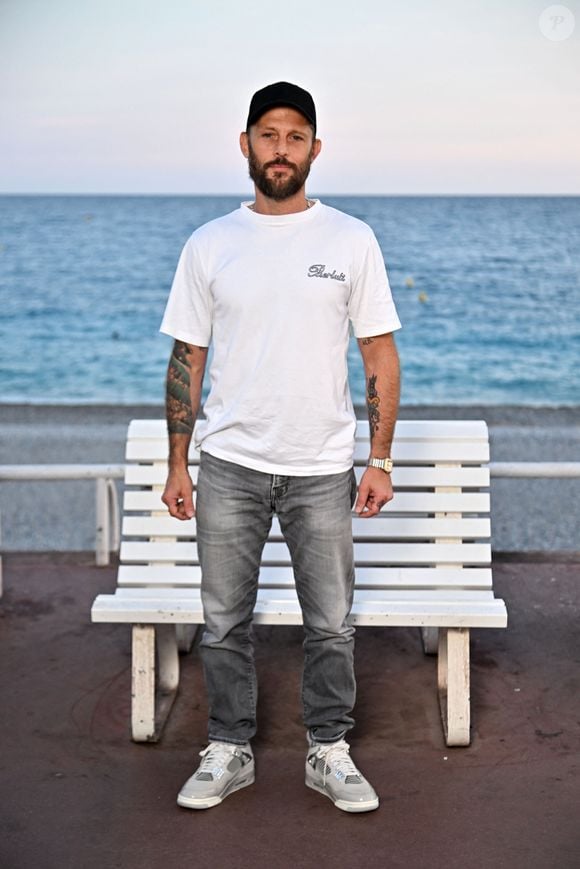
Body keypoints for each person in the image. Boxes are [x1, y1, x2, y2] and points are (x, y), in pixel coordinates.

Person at [160, 81, 401, 814]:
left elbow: (379, 356)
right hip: (229, 463)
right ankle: (229, 747)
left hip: (322, 466)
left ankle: (328, 748)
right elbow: (186, 360)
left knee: (330, 622)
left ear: (315, 150)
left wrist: (380, 456)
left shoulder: (350, 239)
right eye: (269, 135)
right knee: (224, 619)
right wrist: (179, 459)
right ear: (245, 144)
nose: (281, 149)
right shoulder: (210, 243)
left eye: (296, 137)